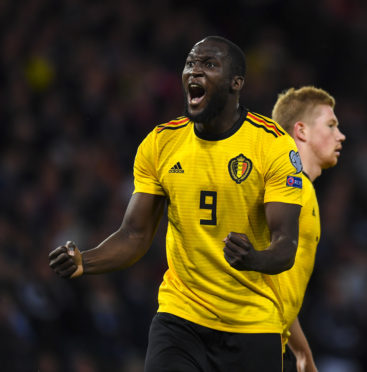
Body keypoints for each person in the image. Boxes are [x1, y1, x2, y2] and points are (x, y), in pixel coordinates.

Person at [49, 36, 304, 372]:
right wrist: (86, 260)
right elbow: (135, 234)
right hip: (180, 317)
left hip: (252, 323)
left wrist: (255, 258)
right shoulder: (161, 143)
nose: (194, 71)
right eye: (190, 63)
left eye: (209, 64)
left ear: (235, 83)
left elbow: (286, 243)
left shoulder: (272, 147)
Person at [271, 86, 346, 372]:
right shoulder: (285, 189)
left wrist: (303, 354)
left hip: (267, 341)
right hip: (246, 340)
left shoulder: (304, 191)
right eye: (331, 125)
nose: (341, 135)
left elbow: (279, 289)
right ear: (301, 131)